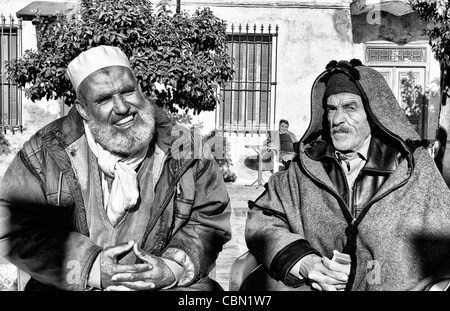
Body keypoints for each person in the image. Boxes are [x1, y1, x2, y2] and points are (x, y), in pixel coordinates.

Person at [0, 45, 231, 291]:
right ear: (82, 110)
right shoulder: (46, 151)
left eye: (127, 91)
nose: (122, 108)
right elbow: (10, 224)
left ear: (140, 90)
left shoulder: (186, 147)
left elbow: (210, 218)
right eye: (104, 99)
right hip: (75, 282)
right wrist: (90, 267)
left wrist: (172, 267)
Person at [243, 59, 450, 291]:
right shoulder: (306, 167)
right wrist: (305, 262)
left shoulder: (411, 169)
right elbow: (263, 218)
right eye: (331, 109)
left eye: (350, 108)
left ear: (373, 114)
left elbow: (440, 242)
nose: (338, 119)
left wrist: (369, 274)